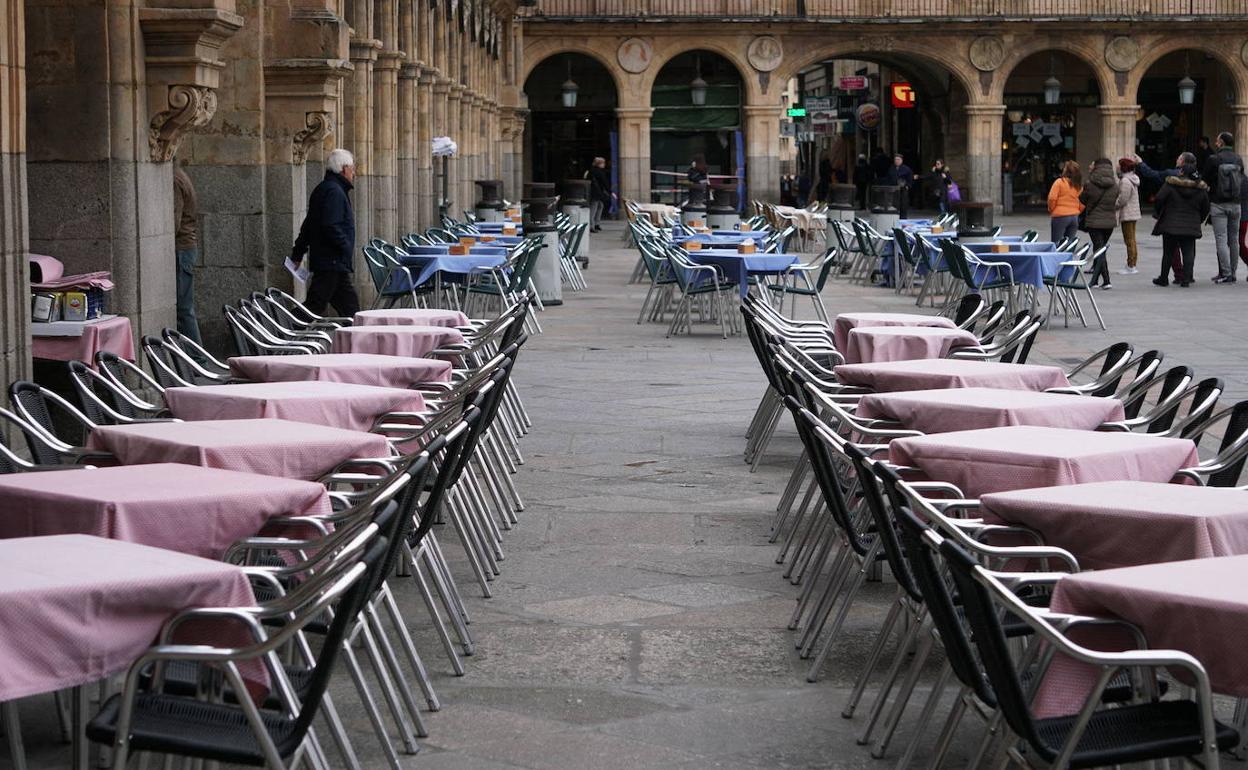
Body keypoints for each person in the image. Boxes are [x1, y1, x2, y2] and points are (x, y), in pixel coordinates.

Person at [291, 147, 360, 317]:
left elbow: (308, 225)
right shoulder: (334, 192)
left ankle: (356, 341)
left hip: (333, 263)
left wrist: (298, 252)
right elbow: (330, 225)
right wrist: (345, 246)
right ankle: (277, 330)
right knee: (315, 307)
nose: (354, 173)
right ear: (344, 169)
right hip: (332, 262)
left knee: (350, 310)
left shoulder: (325, 188)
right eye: (352, 169)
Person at [1151, 158, 1210, 288]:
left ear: (1181, 171)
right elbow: (1206, 207)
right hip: (1191, 224)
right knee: (1188, 252)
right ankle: (1186, 279)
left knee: (1168, 252)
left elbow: (1159, 198)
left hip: (1170, 223)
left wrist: (1160, 211)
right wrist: (1198, 219)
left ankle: (1163, 278)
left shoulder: (1171, 184)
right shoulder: (1200, 188)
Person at [1201, 131, 1243, 283]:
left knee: (1221, 238)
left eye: (1218, 140)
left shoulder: (1213, 159)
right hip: (1236, 204)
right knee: (1234, 239)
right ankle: (1233, 272)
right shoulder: (1238, 159)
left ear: (1222, 143)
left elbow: (1204, 180)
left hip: (1218, 203)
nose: (1216, 142)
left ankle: (1225, 273)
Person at [172, 162, 202, 343]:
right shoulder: (179, 175)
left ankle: (197, 360)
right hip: (185, 248)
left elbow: (173, 222)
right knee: (184, 308)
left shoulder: (175, 179)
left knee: (184, 309)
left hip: (181, 249)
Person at [1079, 158, 1121, 289]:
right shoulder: (1115, 185)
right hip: (1109, 222)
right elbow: (1115, 200)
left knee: (1099, 250)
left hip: (1095, 222)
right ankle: (1095, 280)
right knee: (1100, 249)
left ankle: (1107, 280)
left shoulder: (1090, 183)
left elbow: (1082, 199)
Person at [1047, 159, 1083, 244]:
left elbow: (1052, 198)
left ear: (1066, 170)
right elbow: (1082, 202)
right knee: (1069, 244)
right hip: (1074, 217)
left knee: (1056, 243)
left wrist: (1052, 209)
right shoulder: (1079, 186)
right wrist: (1077, 211)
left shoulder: (1059, 182)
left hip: (1060, 216)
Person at [1116, 157, 1142, 275]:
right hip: (1133, 212)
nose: (1117, 167)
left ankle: (1131, 265)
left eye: (1119, 165)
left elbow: (1123, 199)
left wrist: (1114, 205)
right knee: (1132, 239)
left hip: (1128, 213)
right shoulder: (1132, 179)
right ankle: (1132, 263)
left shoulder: (1125, 181)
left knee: (1129, 240)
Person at [587, 156, 613, 233]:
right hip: (596, 193)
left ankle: (596, 224)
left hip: (596, 192)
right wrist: (610, 192)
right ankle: (592, 225)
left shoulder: (591, 170)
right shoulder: (599, 172)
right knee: (594, 208)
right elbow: (604, 183)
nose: (604, 164)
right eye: (603, 163)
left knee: (599, 206)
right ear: (599, 164)